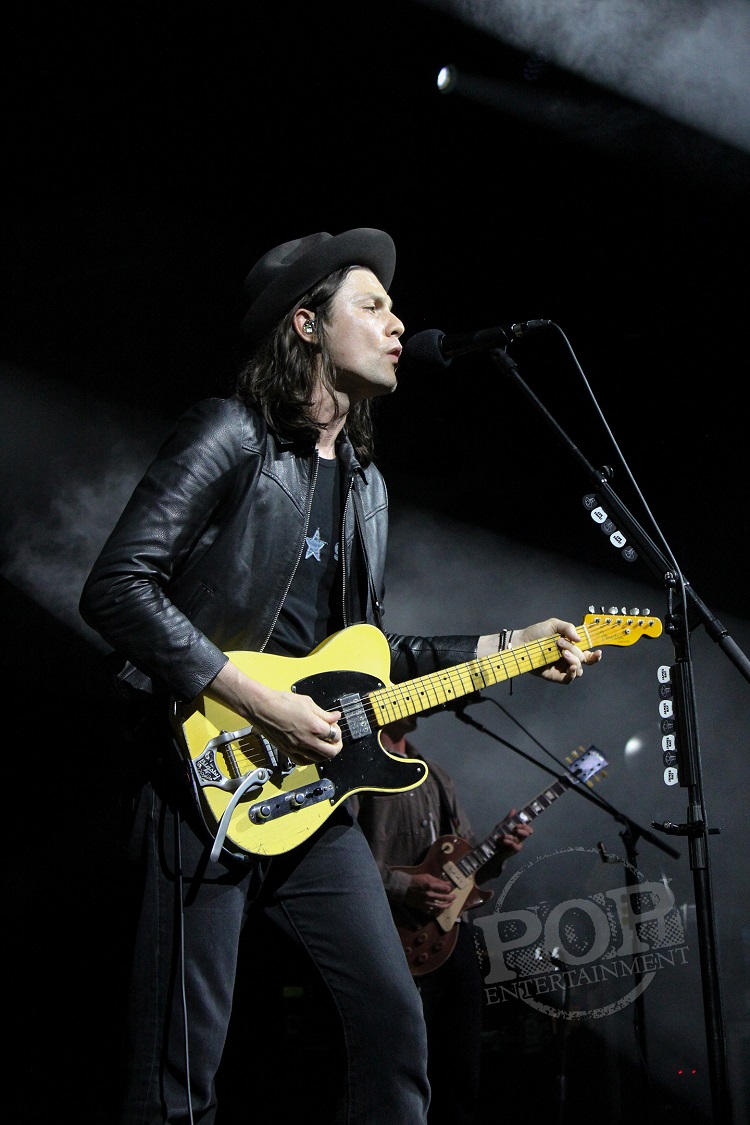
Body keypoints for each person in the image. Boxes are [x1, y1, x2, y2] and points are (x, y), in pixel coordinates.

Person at [78, 226, 603, 1125]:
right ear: (307, 324)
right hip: (201, 775)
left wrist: (512, 644)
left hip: (313, 797)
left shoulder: (367, 486)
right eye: (373, 305)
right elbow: (117, 587)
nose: (397, 323)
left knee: (395, 1026)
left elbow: (367, 654)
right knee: (180, 1074)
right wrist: (260, 701)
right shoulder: (231, 434)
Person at [350, 715, 532, 1125]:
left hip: (454, 939)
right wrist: (403, 887)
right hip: (390, 934)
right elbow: (341, 858)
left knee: (460, 1070)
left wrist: (498, 851)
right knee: (398, 1064)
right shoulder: (360, 771)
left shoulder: (436, 775)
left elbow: (466, 866)